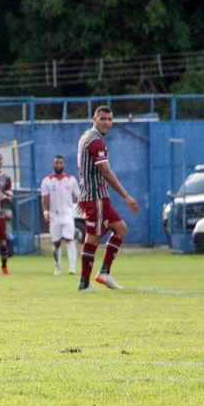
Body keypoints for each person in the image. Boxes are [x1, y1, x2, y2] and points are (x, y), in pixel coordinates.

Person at [76, 106, 140, 291]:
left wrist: (83, 194)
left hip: (96, 196)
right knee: (93, 238)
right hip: (96, 198)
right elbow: (104, 171)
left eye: (110, 119)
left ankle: (104, 272)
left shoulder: (86, 137)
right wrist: (126, 196)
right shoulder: (95, 141)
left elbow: (85, 170)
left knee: (120, 229)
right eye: (103, 119)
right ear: (94, 118)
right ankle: (84, 283)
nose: (107, 123)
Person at [40, 155, 81, 275]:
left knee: (69, 239)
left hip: (68, 214)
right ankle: (58, 268)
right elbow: (44, 198)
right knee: (56, 242)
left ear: (64, 164)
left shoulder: (71, 179)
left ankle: (72, 268)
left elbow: (78, 195)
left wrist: (81, 207)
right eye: (56, 163)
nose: (58, 165)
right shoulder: (47, 181)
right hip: (54, 215)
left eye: (60, 163)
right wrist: (46, 212)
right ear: (53, 165)